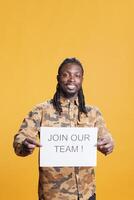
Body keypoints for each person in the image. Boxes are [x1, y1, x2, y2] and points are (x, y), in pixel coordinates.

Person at [13, 58, 114, 200]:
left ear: (82, 79)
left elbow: (106, 138)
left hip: (86, 194)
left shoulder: (92, 112)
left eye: (77, 75)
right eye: (66, 74)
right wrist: (24, 145)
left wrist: (108, 144)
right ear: (58, 78)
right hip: (52, 195)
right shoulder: (41, 110)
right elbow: (20, 139)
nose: (71, 79)